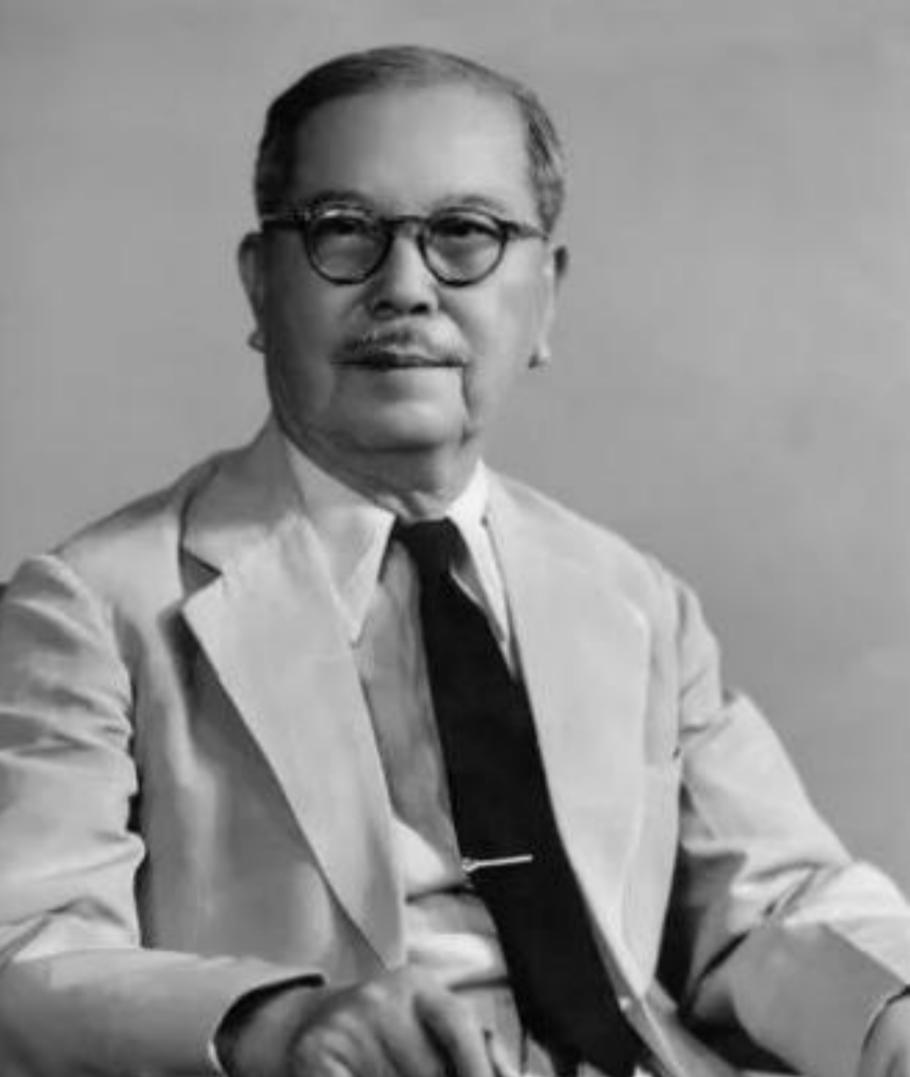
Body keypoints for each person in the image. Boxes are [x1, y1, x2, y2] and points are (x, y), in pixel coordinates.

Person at [0, 44, 908, 1077]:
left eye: (464, 233)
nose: (405, 287)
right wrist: (274, 1026)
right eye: (343, 230)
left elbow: (776, 903)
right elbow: (26, 952)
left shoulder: (634, 599)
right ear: (259, 285)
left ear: (545, 298)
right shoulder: (92, 607)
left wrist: (892, 1015)